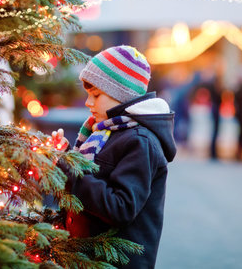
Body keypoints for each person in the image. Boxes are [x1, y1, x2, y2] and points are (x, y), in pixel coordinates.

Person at [52, 45, 177, 269]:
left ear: (121, 95)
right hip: (88, 257)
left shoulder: (140, 140)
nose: (88, 102)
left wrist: (67, 167)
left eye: (96, 95)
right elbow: (94, 175)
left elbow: (120, 207)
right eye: (88, 94)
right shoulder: (103, 131)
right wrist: (67, 155)